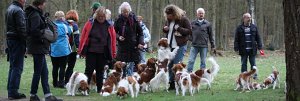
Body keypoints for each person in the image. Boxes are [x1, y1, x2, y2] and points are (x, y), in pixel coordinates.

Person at [25, 0, 62, 100]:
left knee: (44, 72)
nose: (45, 5)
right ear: (40, 4)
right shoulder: (35, 15)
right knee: (38, 72)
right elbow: (34, 31)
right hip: (38, 47)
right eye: (44, 3)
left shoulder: (35, 14)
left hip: (38, 47)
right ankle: (33, 94)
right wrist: (45, 35)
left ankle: (47, 95)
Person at [78, 6, 116, 93]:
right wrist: (80, 49)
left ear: (105, 16)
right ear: (96, 15)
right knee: (89, 70)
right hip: (91, 51)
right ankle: (84, 88)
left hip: (103, 52)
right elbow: (83, 36)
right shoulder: (90, 23)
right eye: (99, 16)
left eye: (103, 17)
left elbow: (113, 40)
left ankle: (99, 89)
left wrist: (113, 52)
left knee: (100, 71)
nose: (101, 18)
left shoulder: (109, 25)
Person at [162, 4, 192, 90]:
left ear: (175, 13)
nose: (168, 17)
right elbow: (166, 30)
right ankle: (171, 83)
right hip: (170, 46)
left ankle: (179, 83)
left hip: (180, 46)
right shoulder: (168, 20)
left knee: (177, 65)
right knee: (170, 65)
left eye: (170, 15)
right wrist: (165, 29)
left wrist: (179, 28)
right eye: (167, 15)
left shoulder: (184, 19)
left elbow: (189, 31)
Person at [114, 2, 144, 77]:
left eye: (127, 11)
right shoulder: (118, 20)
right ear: (121, 11)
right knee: (122, 66)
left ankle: (139, 81)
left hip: (134, 45)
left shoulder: (134, 20)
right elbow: (113, 32)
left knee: (137, 65)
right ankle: (123, 80)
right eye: (124, 12)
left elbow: (140, 33)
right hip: (122, 47)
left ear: (129, 10)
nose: (126, 13)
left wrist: (140, 43)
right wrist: (118, 37)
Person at [5, 0, 27, 100]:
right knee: (17, 67)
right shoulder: (18, 10)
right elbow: (21, 28)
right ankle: (13, 91)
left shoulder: (9, 8)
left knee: (13, 66)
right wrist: (25, 43)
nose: (25, 1)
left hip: (10, 39)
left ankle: (11, 90)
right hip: (17, 40)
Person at [234, 13, 263, 79]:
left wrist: (260, 47)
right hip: (243, 49)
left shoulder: (254, 27)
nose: (249, 19)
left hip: (252, 49)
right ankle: (244, 76)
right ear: (244, 19)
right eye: (247, 17)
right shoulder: (239, 28)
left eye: (250, 17)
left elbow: (258, 37)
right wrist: (236, 48)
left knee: (253, 64)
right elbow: (236, 39)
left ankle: (255, 76)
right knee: (243, 64)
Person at [187, 8, 215, 72]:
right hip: (194, 45)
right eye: (199, 13)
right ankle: (189, 73)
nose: (201, 14)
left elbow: (211, 35)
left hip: (204, 46)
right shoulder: (192, 23)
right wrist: (191, 39)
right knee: (191, 60)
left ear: (204, 14)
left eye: (202, 13)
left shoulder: (208, 24)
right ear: (197, 14)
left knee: (203, 62)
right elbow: (189, 33)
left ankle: (202, 75)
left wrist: (212, 45)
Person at [50, 11, 72, 88]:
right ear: (63, 17)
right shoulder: (65, 26)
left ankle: (55, 83)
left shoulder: (52, 26)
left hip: (54, 49)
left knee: (55, 67)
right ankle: (61, 83)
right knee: (62, 67)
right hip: (64, 50)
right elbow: (70, 32)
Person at [65, 10, 80, 84]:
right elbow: (76, 38)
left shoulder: (64, 23)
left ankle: (60, 81)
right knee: (70, 66)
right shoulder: (75, 25)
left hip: (64, 48)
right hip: (72, 49)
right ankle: (67, 81)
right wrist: (78, 48)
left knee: (62, 66)